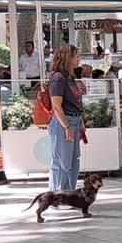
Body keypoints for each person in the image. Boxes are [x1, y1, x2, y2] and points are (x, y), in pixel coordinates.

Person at [47, 45, 84, 192]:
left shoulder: (70, 77)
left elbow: (76, 102)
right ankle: (58, 194)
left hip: (74, 120)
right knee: (62, 161)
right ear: (68, 58)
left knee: (73, 160)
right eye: (76, 56)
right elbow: (57, 106)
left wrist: (81, 121)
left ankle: (68, 192)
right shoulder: (58, 78)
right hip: (64, 122)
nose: (78, 58)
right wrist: (67, 127)